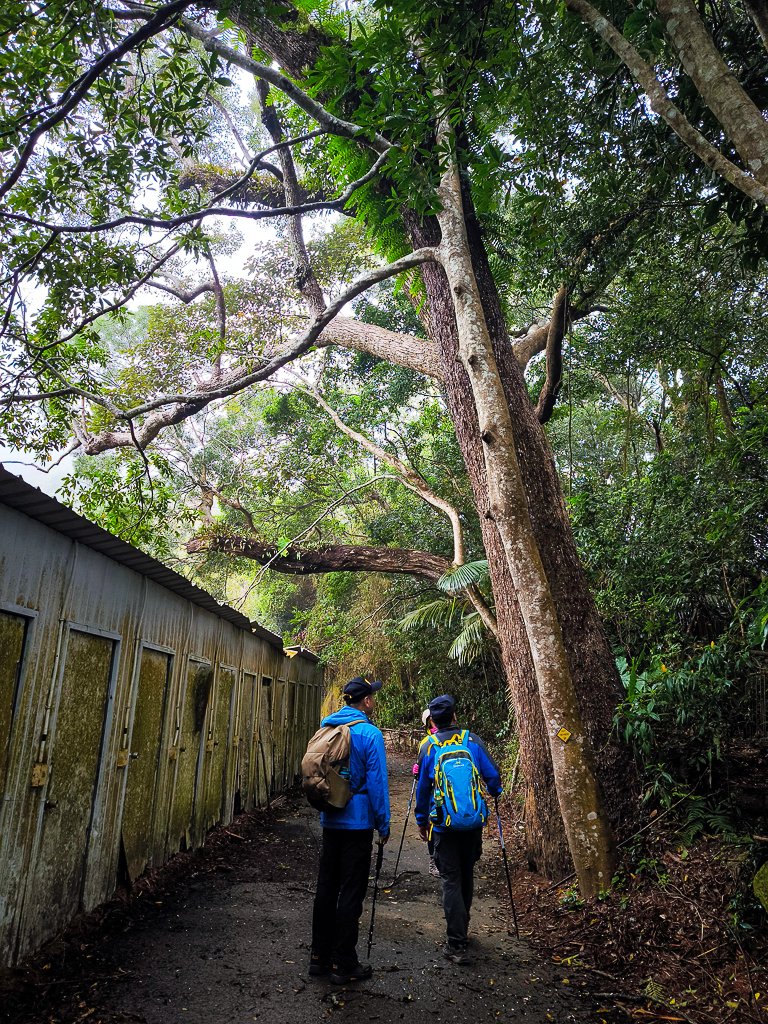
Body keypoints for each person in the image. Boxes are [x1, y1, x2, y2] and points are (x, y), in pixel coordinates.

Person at [309, 676, 390, 984]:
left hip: (331, 819)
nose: (374, 702)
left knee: (327, 887)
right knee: (351, 891)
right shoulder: (369, 734)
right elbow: (378, 785)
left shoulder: (326, 728)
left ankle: (319, 957)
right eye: (373, 697)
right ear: (366, 702)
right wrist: (383, 824)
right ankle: (344, 962)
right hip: (357, 824)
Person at [415, 693, 501, 966]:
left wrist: (421, 819)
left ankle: (457, 944)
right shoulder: (472, 741)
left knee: (450, 879)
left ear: (433, 721)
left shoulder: (428, 745)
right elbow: (493, 777)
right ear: (454, 716)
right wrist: (495, 791)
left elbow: (423, 789)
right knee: (466, 873)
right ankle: (462, 929)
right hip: (472, 824)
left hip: (442, 825)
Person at [412, 708, 440, 877]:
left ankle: (434, 861)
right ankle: (434, 859)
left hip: (433, 796)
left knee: (433, 824)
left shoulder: (426, 743)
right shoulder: (461, 739)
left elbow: (421, 779)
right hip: (437, 794)